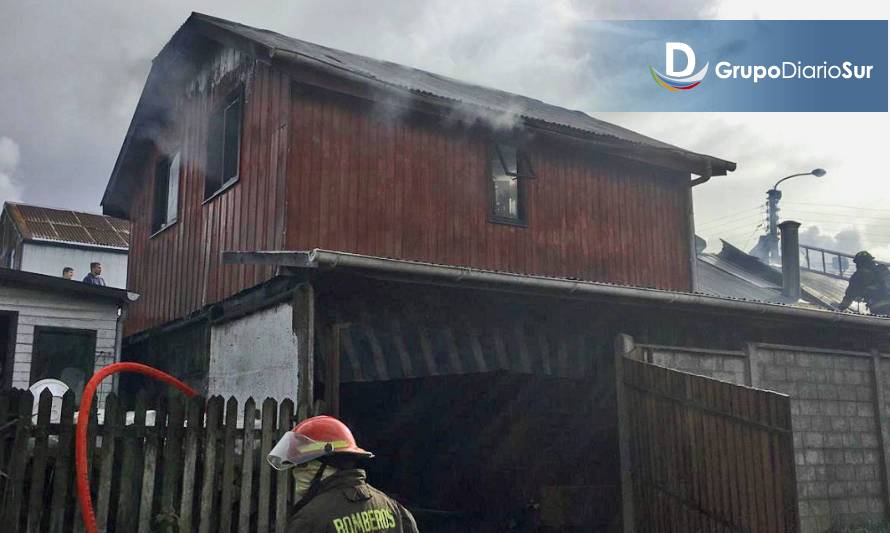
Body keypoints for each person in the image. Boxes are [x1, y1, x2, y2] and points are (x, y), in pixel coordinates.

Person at [268, 415, 419, 533]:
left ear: (328, 462)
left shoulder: (310, 520)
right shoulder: (394, 509)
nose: (296, 471)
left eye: (303, 464)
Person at [839, 251, 890, 315]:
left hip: (878, 307)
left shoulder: (858, 275)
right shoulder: (882, 270)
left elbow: (850, 294)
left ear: (858, 263)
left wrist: (841, 308)